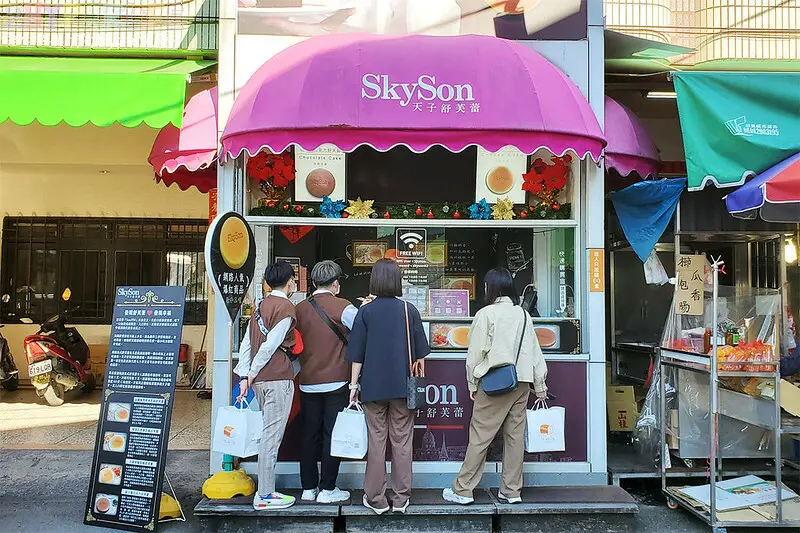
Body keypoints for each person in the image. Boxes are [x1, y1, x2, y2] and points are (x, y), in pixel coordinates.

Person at [443, 268, 548, 505]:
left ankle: (463, 489)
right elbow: (535, 354)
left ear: (490, 289)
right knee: (515, 437)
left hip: (494, 383)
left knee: (481, 436)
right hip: (522, 383)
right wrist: (539, 385)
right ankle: (511, 491)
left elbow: (475, 355)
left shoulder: (485, 314)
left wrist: (472, 382)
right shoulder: (523, 315)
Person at [346, 259, 430, 515]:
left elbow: (356, 355)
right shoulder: (409, 310)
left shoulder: (366, 312)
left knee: (376, 441)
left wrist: (352, 385)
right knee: (402, 442)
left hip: (372, 388)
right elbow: (421, 354)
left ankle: (376, 498)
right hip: (403, 387)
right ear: (397, 280)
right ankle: (401, 497)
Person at [235, 261, 299, 510]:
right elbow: (271, 345)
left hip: (261, 381)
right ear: (290, 281)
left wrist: (244, 376)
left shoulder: (259, 306)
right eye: (293, 280)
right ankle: (265, 494)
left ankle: (266, 492)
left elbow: (247, 344)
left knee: (267, 435)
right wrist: (250, 374)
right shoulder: (286, 307)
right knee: (271, 437)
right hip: (276, 379)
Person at [294, 261, 358, 504]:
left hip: (307, 382)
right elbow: (364, 332)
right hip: (337, 381)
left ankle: (308, 488)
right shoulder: (344, 308)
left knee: (309, 434)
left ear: (312, 284)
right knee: (333, 434)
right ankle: (328, 488)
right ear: (336, 284)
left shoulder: (299, 309)